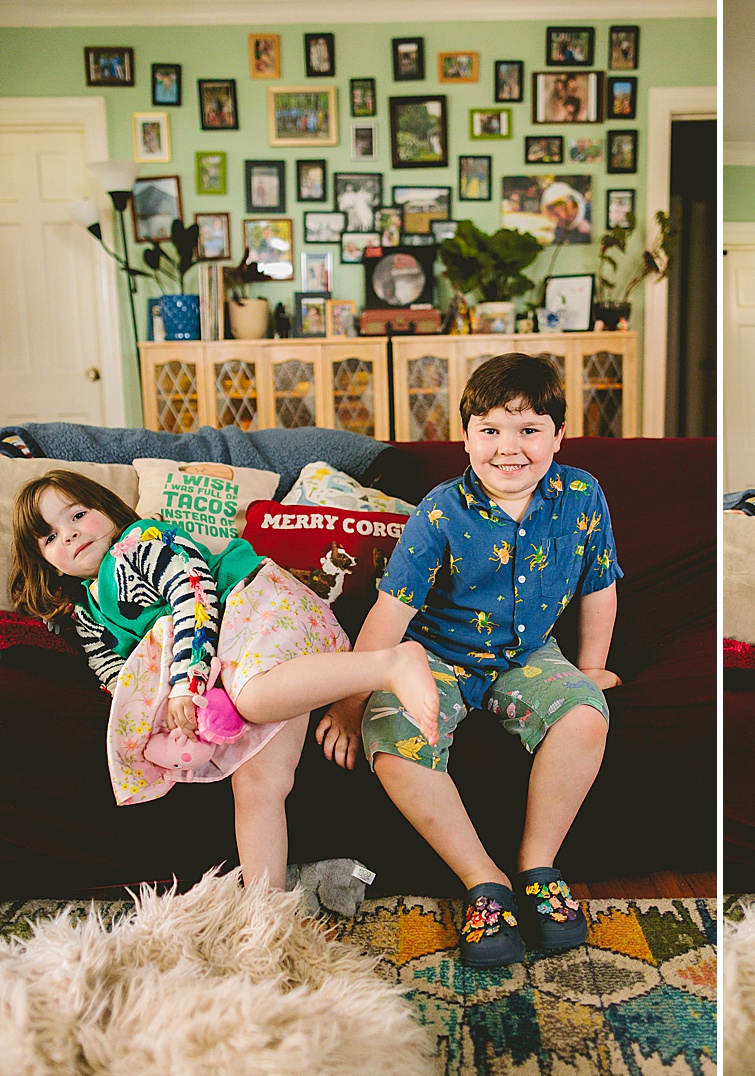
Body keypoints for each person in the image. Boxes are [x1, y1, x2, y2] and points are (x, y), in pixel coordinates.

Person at [314, 354, 622, 969]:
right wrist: (348, 705)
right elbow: (390, 615)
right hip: (433, 657)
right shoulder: (439, 512)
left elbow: (599, 584)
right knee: (392, 737)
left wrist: (591, 668)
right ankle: (485, 882)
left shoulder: (583, 496)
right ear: (466, 437)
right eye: (490, 430)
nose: (509, 448)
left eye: (530, 430)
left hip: (529, 654)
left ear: (558, 436)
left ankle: (537, 867)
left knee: (588, 716)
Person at [9, 471, 440, 890]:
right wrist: (162, 725)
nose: (68, 534)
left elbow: (194, 596)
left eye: (77, 515)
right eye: (49, 537)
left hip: (257, 608)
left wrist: (186, 685)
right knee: (257, 785)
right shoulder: (86, 615)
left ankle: (390, 664)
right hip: (233, 660)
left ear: (107, 510)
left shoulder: (139, 545)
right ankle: (264, 911)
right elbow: (119, 680)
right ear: (43, 560)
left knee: (254, 699)